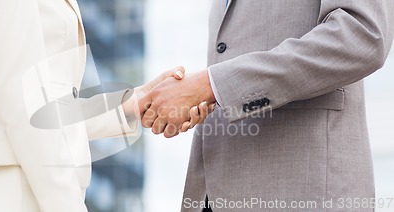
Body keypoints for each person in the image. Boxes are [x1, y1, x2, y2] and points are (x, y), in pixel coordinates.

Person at [0, 0, 213, 211]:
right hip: (11, 187)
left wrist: (132, 103)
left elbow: (37, 106)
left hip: (12, 183)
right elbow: (22, 104)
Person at [138, 0, 394, 211]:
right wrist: (201, 93)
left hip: (303, 190)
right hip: (215, 192)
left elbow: (363, 35)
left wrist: (209, 84)